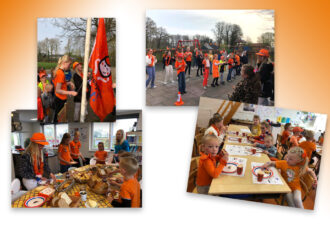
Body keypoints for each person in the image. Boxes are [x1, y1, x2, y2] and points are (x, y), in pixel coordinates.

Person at [53, 55, 77, 123]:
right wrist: (71, 92)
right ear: (64, 63)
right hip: (60, 99)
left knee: (59, 115)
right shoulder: (60, 73)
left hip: (59, 98)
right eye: (69, 64)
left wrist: (69, 83)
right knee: (58, 117)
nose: (70, 67)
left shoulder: (59, 71)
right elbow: (58, 89)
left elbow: (61, 84)